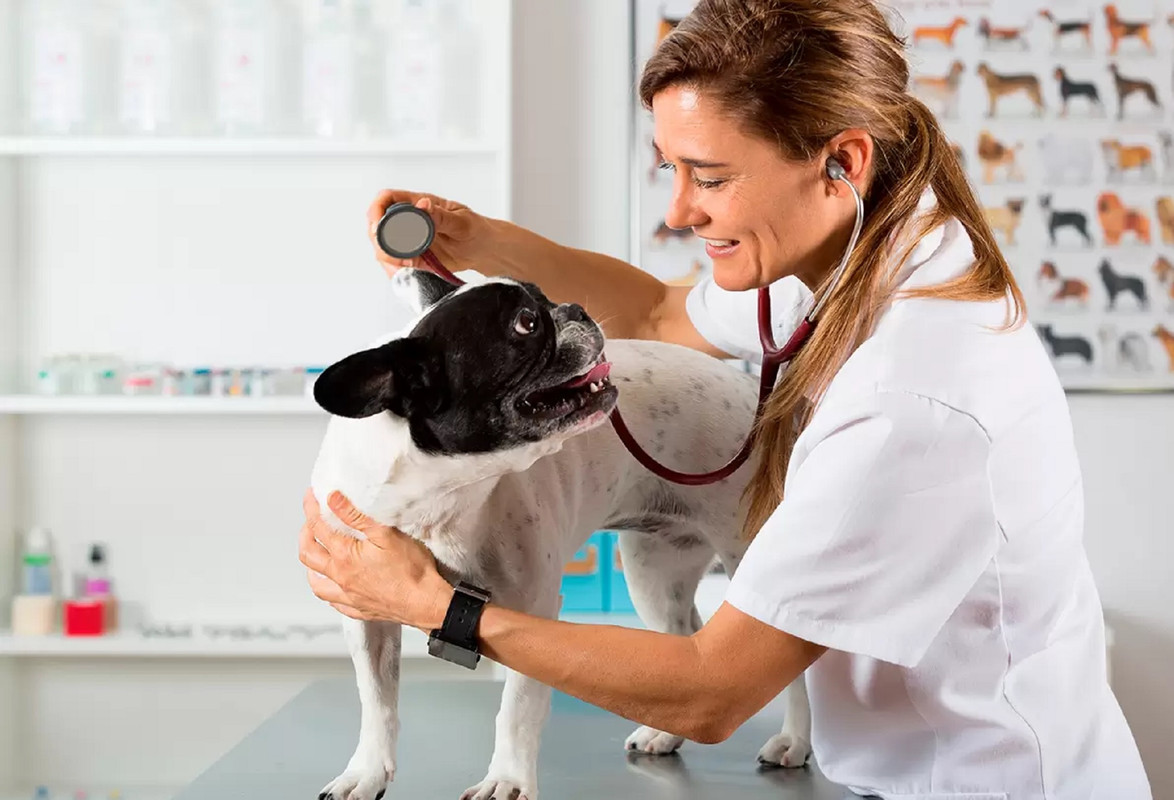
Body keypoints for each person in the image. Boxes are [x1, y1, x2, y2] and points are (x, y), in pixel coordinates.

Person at [297, 1, 1152, 797]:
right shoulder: (861, 246)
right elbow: (659, 313)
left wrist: (430, 605)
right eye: (670, 170)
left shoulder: (913, 403)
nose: (677, 211)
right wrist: (478, 238)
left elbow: (712, 692)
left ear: (840, 162)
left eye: (708, 177)